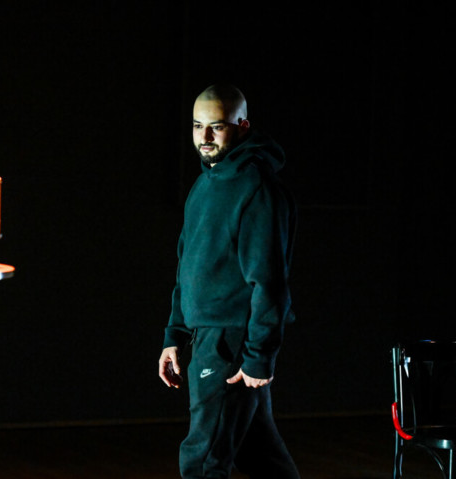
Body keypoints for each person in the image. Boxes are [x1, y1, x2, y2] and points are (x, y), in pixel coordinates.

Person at [158, 84, 300, 479]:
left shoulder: (257, 189)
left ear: (242, 126)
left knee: (203, 461)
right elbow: (188, 267)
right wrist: (174, 335)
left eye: (216, 127)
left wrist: (258, 356)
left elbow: (269, 281)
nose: (204, 137)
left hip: (231, 341)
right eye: (197, 126)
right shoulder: (205, 184)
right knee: (261, 456)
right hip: (207, 336)